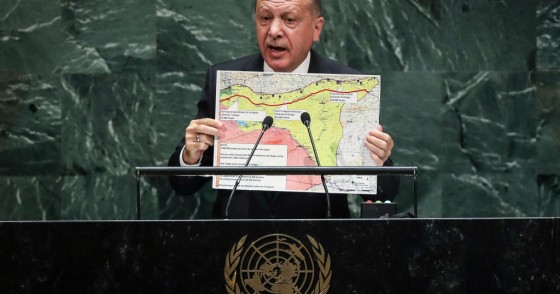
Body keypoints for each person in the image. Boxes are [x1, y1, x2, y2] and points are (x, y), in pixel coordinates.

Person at [168, 0, 399, 219]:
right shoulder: (225, 83)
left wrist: (377, 162)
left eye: (289, 20)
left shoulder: (351, 88)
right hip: (237, 242)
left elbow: (384, 194)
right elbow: (183, 185)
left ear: (316, 28)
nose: (274, 30)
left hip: (320, 243)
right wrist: (191, 157)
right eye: (265, 18)